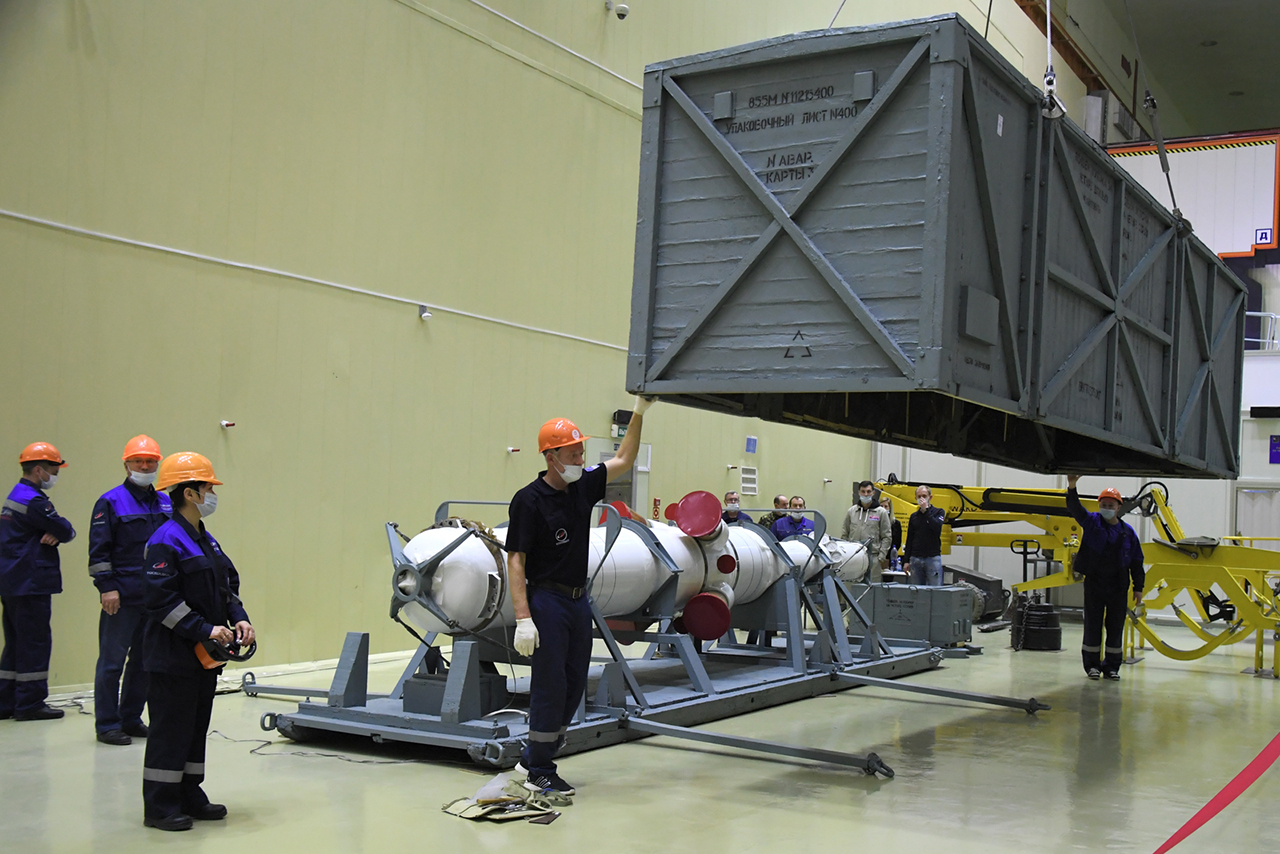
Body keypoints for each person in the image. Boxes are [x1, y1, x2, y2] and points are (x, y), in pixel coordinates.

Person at [505, 397, 655, 796]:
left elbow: (624, 457)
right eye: (573, 453)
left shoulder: (582, 487)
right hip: (547, 601)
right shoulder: (528, 501)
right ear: (551, 456)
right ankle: (540, 767)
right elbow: (516, 560)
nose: (580, 459)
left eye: (581, 452)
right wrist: (523, 617)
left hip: (577, 600)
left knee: (574, 683)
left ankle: (537, 753)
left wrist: (639, 411)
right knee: (551, 683)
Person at [141, 452, 253, 831]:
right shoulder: (165, 540)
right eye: (208, 488)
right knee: (170, 731)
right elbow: (160, 601)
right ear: (190, 493)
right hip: (172, 656)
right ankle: (160, 806)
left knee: (193, 729)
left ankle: (190, 794)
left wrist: (239, 618)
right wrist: (205, 629)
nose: (213, 494)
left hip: (202, 657)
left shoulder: (205, 539)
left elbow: (226, 585)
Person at [88, 435, 171, 745]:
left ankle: (131, 718)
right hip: (121, 598)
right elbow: (99, 551)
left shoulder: (165, 502)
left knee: (143, 663)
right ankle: (107, 725)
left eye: (150, 461)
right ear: (126, 465)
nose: (145, 466)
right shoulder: (110, 502)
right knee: (111, 663)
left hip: (154, 596)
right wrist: (107, 588)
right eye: (138, 461)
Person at [1, 443, 75, 722]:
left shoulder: (15, 495)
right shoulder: (34, 501)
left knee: (15, 643)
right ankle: (30, 704)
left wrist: (53, 532)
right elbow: (65, 530)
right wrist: (60, 532)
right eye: (54, 470)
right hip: (30, 581)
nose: (55, 475)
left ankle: (6, 701)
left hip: (12, 580)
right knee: (35, 643)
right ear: (39, 470)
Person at [1065, 475, 1145, 681]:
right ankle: (1092, 666)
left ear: (1119, 507)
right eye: (1104, 505)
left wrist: (1138, 587)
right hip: (1095, 583)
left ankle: (1111, 667)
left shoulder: (1128, 533)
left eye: (1111, 505)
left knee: (1116, 626)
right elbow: (1075, 508)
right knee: (1093, 624)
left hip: (1118, 585)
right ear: (1099, 505)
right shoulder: (1092, 523)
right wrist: (1072, 486)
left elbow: (1137, 561)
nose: (1107, 508)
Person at [841, 481, 891, 569]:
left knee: (872, 579)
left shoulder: (881, 512)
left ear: (873, 493)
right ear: (859, 493)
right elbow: (845, 534)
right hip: (853, 556)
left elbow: (887, 537)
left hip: (873, 557)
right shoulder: (851, 512)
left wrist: (881, 557)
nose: (866, 494)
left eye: (868, 491)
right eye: (863, 491)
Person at [903, 485, 945, 586]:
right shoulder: (914, 516)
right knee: (915, 590)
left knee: (935, 589)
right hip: (915, 558)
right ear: (915, 498)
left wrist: (926, 511)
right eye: (919, 496)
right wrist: (906, 561)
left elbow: (937, 527)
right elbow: (910, 539)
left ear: (930, 497)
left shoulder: (939, 512)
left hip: (932, 558)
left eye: (924, 496)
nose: (921, 499)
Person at [881, 495, 903, 572]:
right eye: (881, 506)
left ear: (890, 508)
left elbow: (898, 542)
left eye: (886, 506)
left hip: (890, 558)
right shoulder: (875, 522)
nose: (883, 508)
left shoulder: (895, 523)